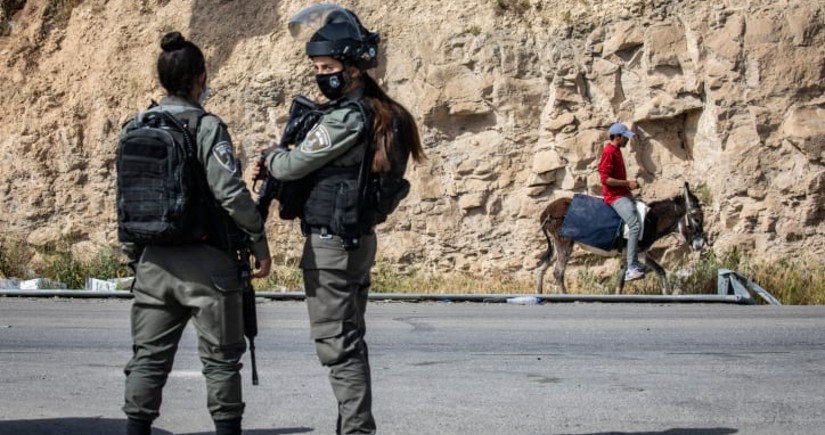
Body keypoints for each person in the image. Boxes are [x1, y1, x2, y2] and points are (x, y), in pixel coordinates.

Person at [252, 5, 424, 434]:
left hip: (332, 247)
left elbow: (292, 166)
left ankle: (357, 430)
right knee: (349, 341)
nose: (320, 74)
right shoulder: (388, 115)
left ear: (353, 70)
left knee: (338, 347)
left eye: (327, 67)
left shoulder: (349, 117)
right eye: (316, 66)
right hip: (355, 241)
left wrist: (272, 157)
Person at [120, 32, 271, 435]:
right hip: (209, 266)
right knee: (221, 361)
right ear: (200, 77)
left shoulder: (135, 126)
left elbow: (127, 197)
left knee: (147, 359)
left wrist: (135, 258)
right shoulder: (206, 127)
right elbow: (230, 194)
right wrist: (258, 240)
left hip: (153, 263)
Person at [598, 122, 645, 281]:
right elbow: (605, 179)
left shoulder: (616, 150)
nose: (627, 140)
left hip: (622, 194)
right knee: (634, 224)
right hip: (614, 197)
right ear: (617, 137)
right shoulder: (609, 152)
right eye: (625, 137)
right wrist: (627, 184)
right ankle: (631, 267)